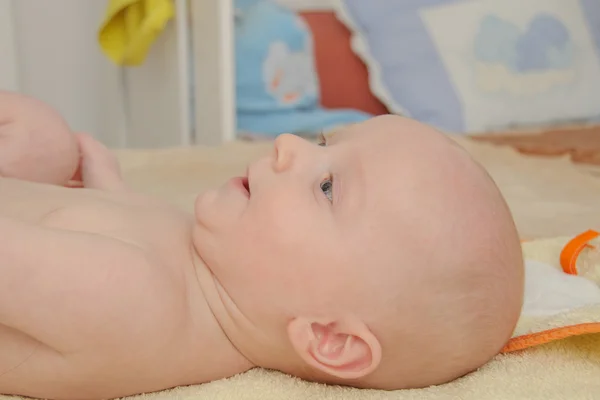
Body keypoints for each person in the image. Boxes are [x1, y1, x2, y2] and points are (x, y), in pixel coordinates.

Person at [0, 92, 524, 400]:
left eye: (327, 188)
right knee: (45, 141)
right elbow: (116, 231)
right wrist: (111, 190)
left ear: (329, 338)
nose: (288, 145)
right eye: (323, 144)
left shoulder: (131, 300)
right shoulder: (212, 272)